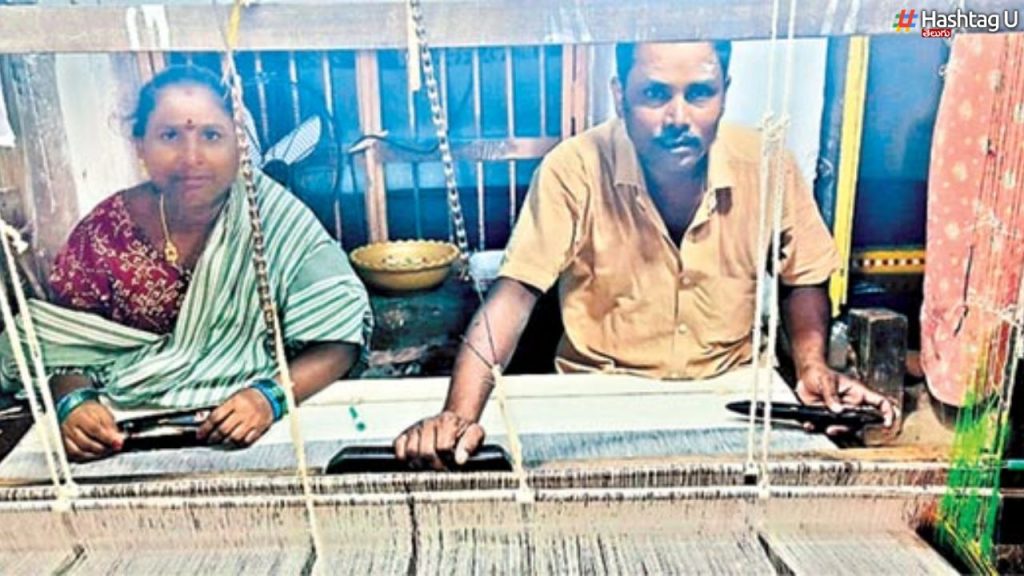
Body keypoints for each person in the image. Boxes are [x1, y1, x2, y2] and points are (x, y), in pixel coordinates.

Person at [394, 40, 895, 469]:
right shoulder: (574, 169)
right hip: (599, 395)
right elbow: (513, 297)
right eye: (655, 94)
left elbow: (803, 276)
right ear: (619, 96)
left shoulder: (767, 164)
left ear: (725, 91)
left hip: (731, 397)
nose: (679, 118)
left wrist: (811, 367)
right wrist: (459, 415)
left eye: (700, 93)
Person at [0, 65, 371, 462]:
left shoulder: (274, 220)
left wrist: (269, 398)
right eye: (169, 136)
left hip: (255, 429)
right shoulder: (105, 232)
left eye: (212, 136)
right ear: (140, 145)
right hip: (126, 435)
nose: (191, 157)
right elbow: (64, 347)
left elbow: (340, 338)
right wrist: (74, 404)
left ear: (238, 143)